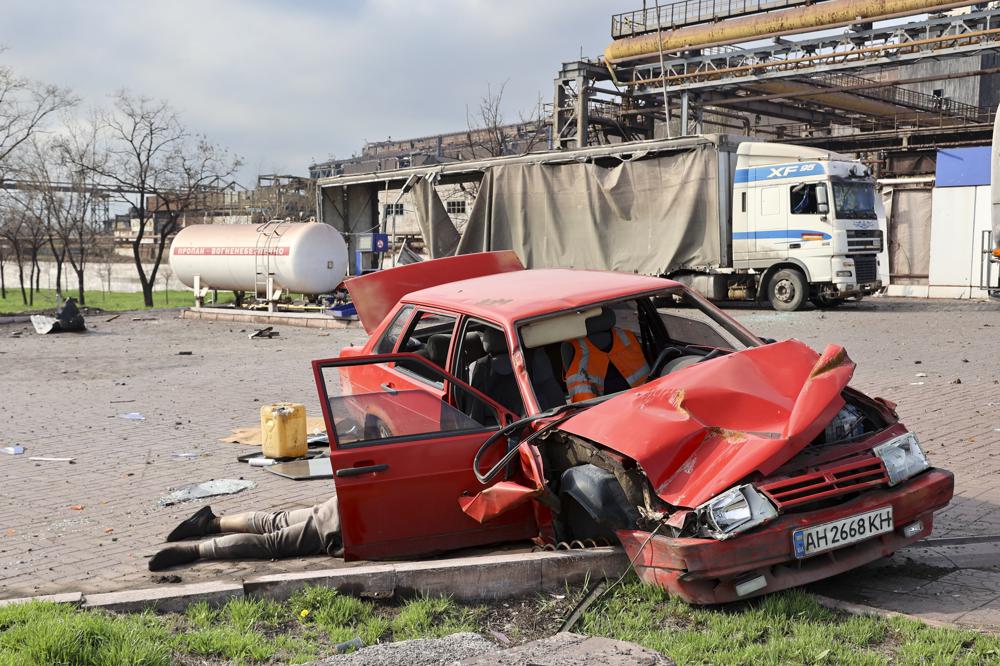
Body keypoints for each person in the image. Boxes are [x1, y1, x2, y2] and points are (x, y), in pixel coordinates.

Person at [148, 495, 342, 571]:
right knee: (272, 544)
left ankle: (208, 523)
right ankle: (193, 551)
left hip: (339, 504)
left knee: (273, 522)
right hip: (341, 526)